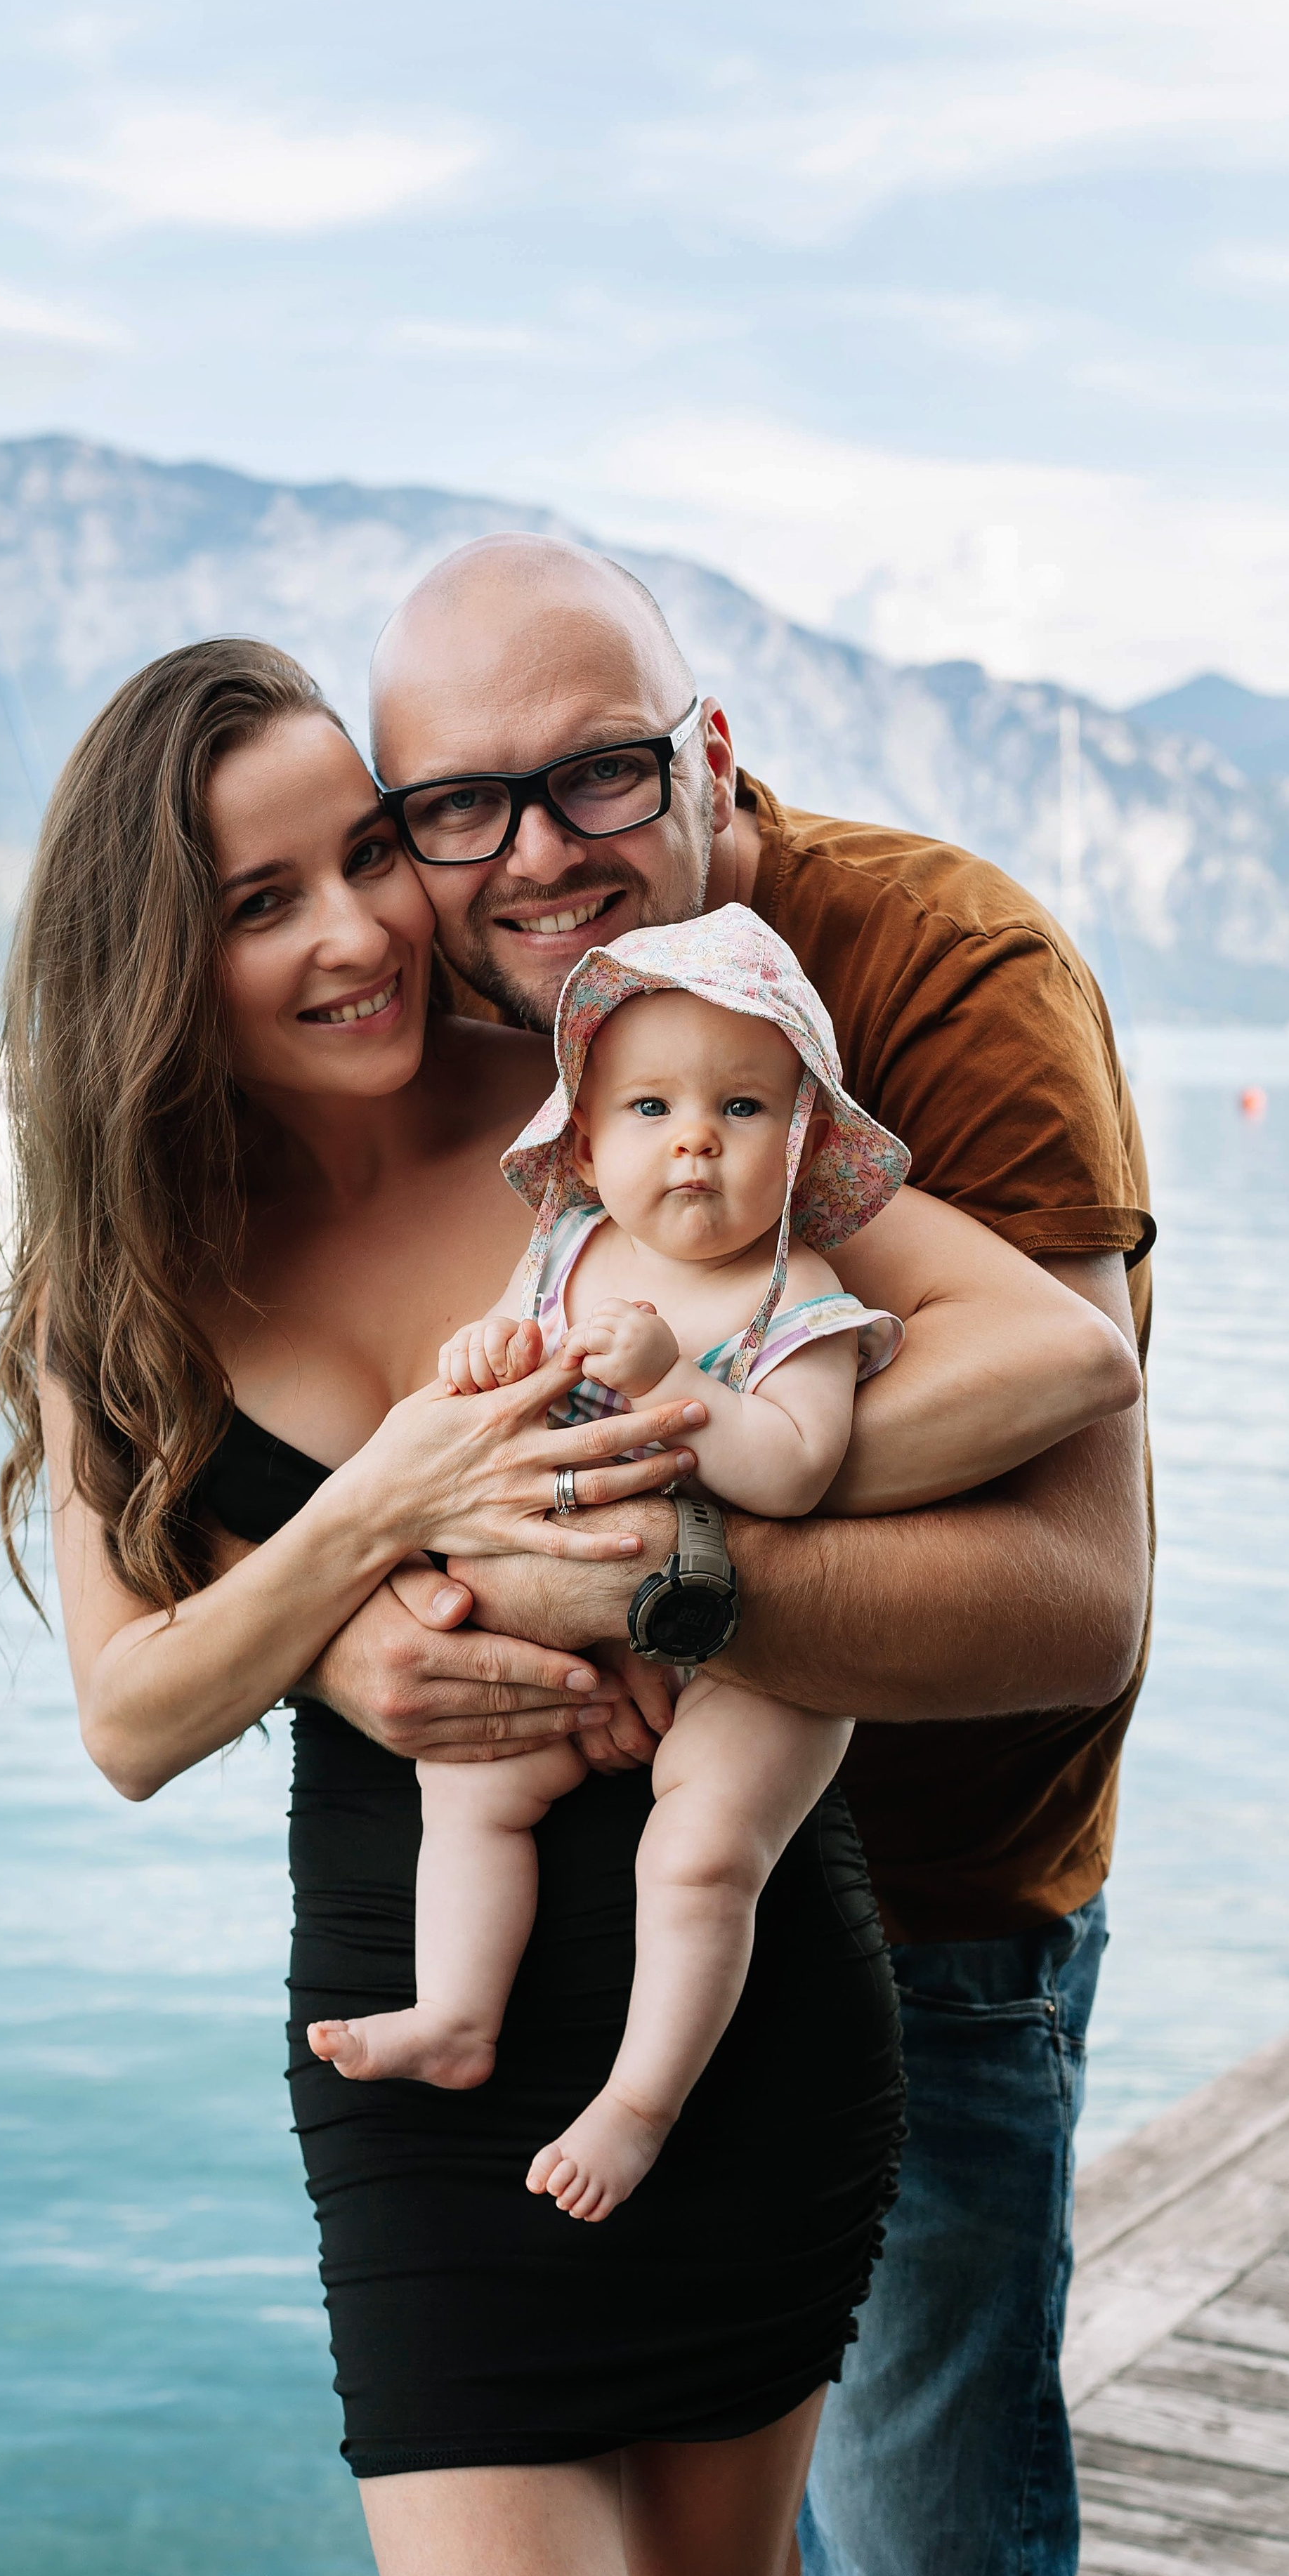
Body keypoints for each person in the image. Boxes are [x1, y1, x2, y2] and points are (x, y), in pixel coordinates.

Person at [0, 637, 1140, 2576]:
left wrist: (679, 1529)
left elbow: (1049, 1358)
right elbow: (131, 1713)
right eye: (262, 904)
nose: (354, 934)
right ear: (157, 951)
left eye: (362, 857)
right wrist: (365, 1550)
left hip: (749, 2006)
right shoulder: (132, 1255)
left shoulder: (600, 1109)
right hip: (420, 2040)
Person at [349, 536, 1156, 2576]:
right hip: (581, 1901)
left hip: (930, 1913)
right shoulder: (450, 992)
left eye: (597, 776)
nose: (532, 856)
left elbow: (1082, 1601)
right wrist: (362, 1622)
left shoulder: (939, 971)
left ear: (706, 749)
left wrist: (652, 1540)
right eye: (457, 807)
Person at [310, 907, 915, 2223]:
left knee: (703, 1854)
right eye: (651, 1105)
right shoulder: (566, 1254)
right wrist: (478, 1359)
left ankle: (639, 2103)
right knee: (469, 1780)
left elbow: (799, 1471)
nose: (695, 1136)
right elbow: (501, 1377)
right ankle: (458, 2011)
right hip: (583, 1629)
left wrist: (683, 1380)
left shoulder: (797, 1297)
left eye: (742, 1105)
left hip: (761, 1665)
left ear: (800, 1136)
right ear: (587, 1142)